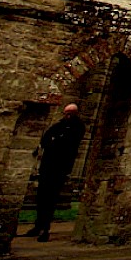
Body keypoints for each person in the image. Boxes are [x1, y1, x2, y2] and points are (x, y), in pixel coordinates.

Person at [27, 103, 84, 241]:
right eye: (66, 112)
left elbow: (67, 143)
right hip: (47, 165)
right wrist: (54, 141)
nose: (67, 115)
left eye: (70, 113)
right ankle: (38, 225)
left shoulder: (77, 127)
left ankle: (45, 229)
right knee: (41, 196)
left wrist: (55, 141)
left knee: (51, 198)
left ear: (75, 113)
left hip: (60, 167)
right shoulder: (59, 125)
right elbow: (46, 138)